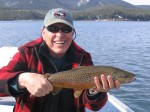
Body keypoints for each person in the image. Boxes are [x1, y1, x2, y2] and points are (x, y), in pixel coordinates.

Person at [0, 8, 120, 112]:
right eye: (53, 28)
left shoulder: (83, 58)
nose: (60, 34)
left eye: (66, 29)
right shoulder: (27, 53)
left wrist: (95, 91)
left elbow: (93, 106)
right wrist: (23, 79)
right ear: (43, 32)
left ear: (73, 33)